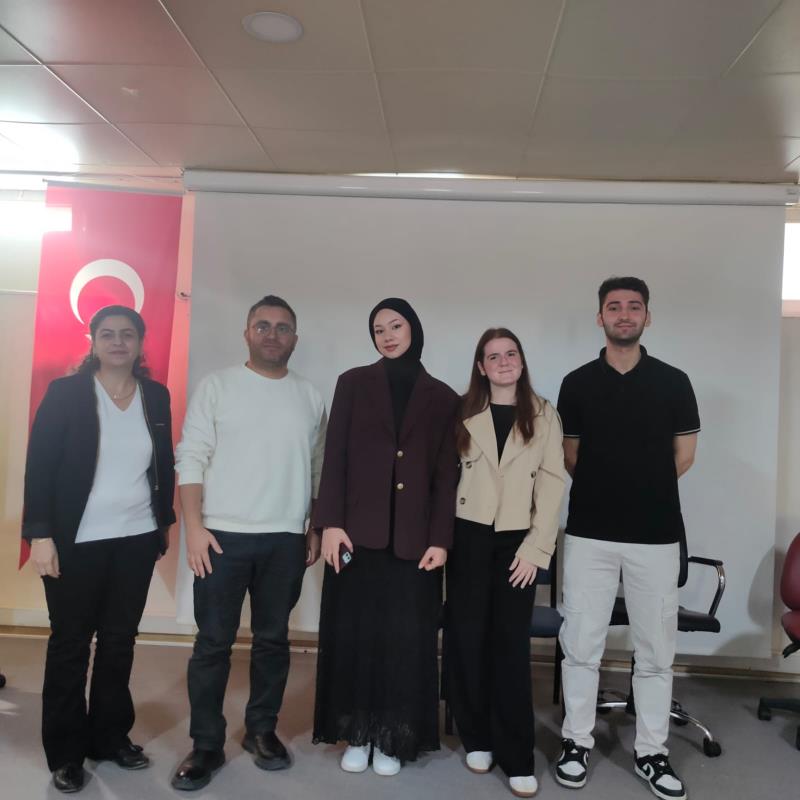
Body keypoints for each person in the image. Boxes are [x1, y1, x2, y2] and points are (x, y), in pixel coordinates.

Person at [171, 295, 326, 791]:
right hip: (221, 536)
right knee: (212, 644)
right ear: (246, 333)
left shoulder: (310, 396)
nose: (272, 334)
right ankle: (206, 744)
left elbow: (317, 469)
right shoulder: (217, 386)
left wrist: (313, 526)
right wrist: (194, 528)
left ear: (295, 338)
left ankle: (262, 731)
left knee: (272, 640)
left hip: (285, 539)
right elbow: (190, 456)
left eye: (282, 327)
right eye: (263, 325)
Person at [555, 277, 699, 800]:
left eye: (633, 307)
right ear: (600, 317)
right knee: (581, 647)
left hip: (656, 536)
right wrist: (610, 490)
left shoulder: (674, 382)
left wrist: (642, 490)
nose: (623, 314)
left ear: (646, 317)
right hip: (590, 534)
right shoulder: (576, 383)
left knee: (656, 653)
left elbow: (684, 456)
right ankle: (576, 742)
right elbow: (571, 457)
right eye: (613, 307)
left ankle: (652, 753)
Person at [22, 305, 176, 793]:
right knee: (70, 645)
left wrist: (163, 524)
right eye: (107, 334)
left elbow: (163, 462)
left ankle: (109, 737)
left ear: (140, 343)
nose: (117, 342)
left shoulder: (155, 395)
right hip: (75, 542)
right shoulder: (67, 393)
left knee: (119, 642)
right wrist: (40, 534)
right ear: (93, 341)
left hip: (135, 539)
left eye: (127, 334)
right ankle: (66, 752)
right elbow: (40, 466)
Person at [312, 298, 458, 776]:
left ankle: (393, 736)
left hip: (416, 544)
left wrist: (441, 539)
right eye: (379, 329)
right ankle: (358, 732)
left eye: (396, 326)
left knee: (405, 641)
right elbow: (335, 456)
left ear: (413, 329)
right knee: (356, 635)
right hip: (356, 536)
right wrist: (330, 523)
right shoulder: (352, 383)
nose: (388, 335)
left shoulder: (443, 397)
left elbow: (446, 475)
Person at [446, 328, 566, 798]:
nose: (503, 361)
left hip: (518, 541)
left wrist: (536, 550)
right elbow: (443, 477)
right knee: (467, 640)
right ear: (481, 366)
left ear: (521, 360)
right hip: (467, 536)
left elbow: (553, 484)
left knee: (510, 648)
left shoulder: (544, 413)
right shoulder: (461, 410)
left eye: (510, 353)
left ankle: (517, 755)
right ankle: (476, 737)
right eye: (493, 356)